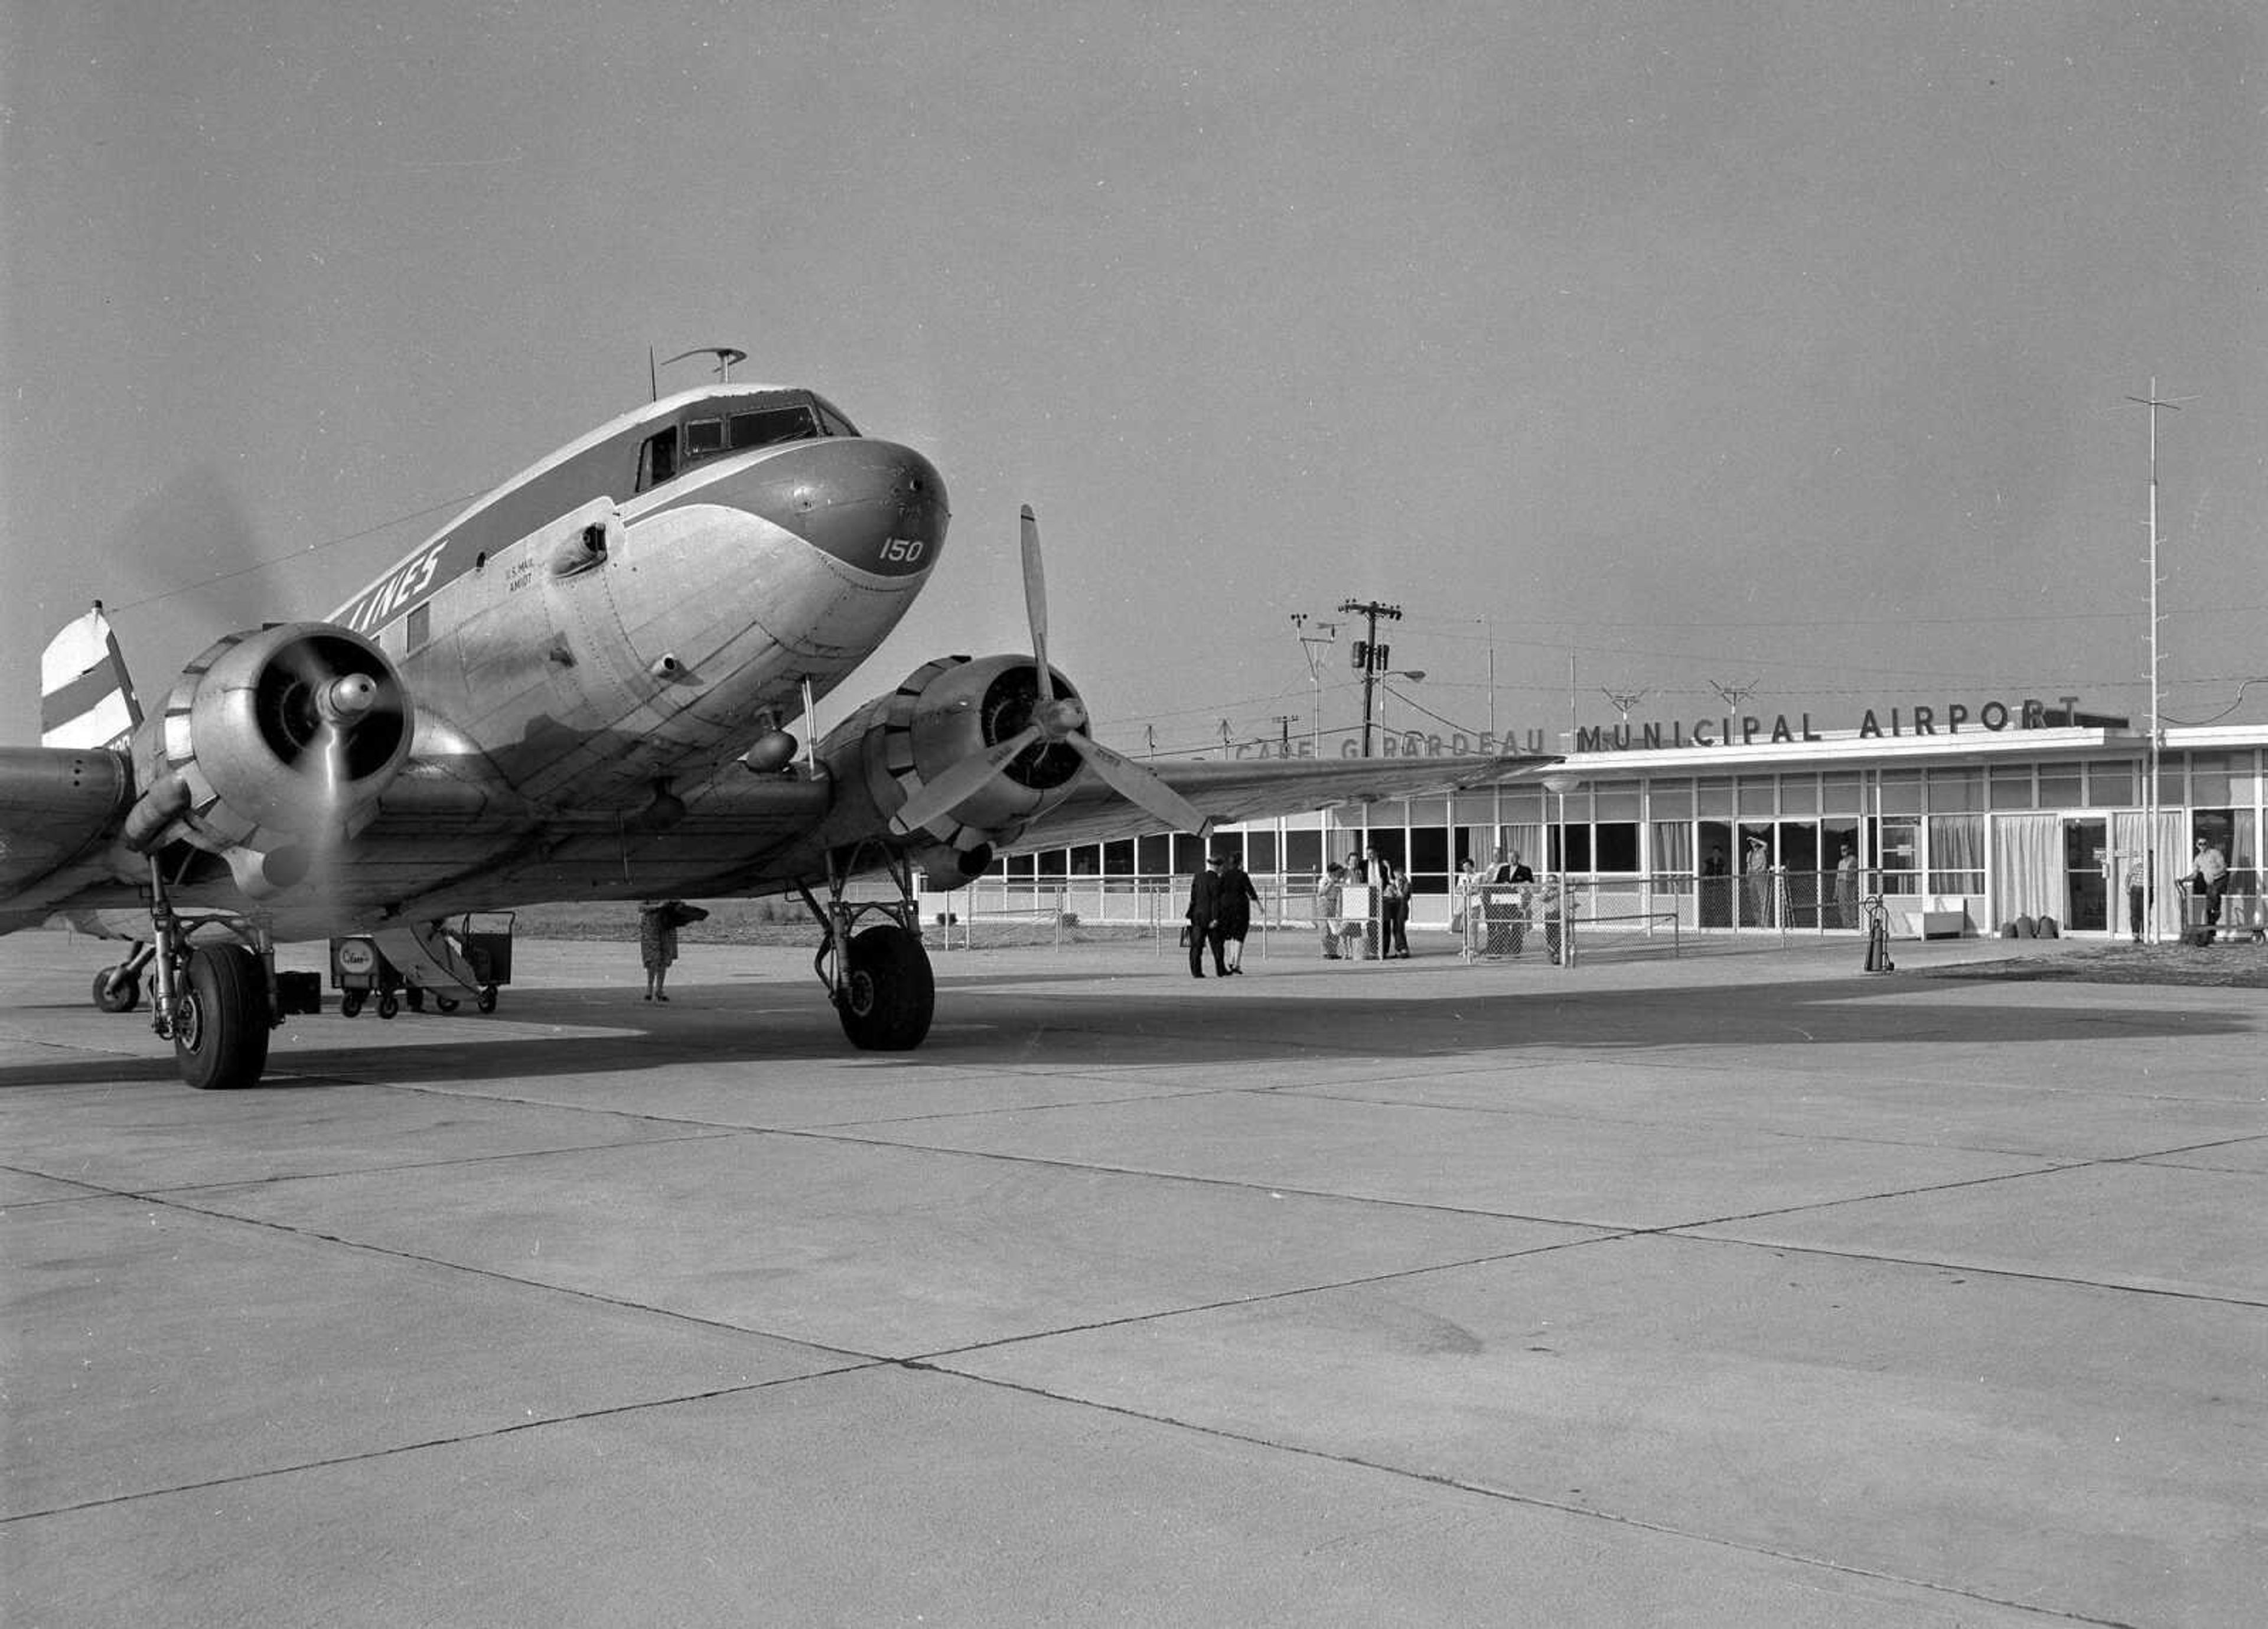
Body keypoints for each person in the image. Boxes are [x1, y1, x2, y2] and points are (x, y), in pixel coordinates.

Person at [638, 898, 708, 1001]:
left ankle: (659, 990)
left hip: (667, 925)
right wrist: (658, 907)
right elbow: (641, 907)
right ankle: (649, 990)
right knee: (653, 959)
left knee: (664, 959)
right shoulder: (650, 894)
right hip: (651, 927)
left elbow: (680, 905)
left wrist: (678, 907)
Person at [1215, 852, 1260, 973]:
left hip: (1226, 910)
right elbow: (1251, 892)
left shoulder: (1224, 875)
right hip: (1241, 909)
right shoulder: (1242, 876)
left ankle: (1231, 960)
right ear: (1240, 862)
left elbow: (1218, 891)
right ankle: (1236, 964)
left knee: (1232, 936)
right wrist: (1260, 906)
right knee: (1239, 936)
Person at [1185, 855, 1226, 978]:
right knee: (1217, 945)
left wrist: (1191, 913)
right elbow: (1216, 901)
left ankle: (1196, 972)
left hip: (1197, 916)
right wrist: (1216, 918)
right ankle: (1220, 970)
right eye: (1221, 866)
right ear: (1218, 866)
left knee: (1196, 946)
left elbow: (1193, 897)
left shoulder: (1198, 877)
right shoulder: (1218, 880)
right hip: (1211, 918)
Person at [1373, 847, 1410, 958]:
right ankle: (1383, 951)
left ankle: (1402, 949)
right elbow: (1389, 880)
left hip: (1400, 907)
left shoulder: (1407, 884)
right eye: (1396, 874)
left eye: (1400, 874)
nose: (1398, 876)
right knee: (1385, 928)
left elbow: (1403, 896)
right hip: (1390, 907)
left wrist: (1398, 888)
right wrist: (1388, 868)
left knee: (1398, 928)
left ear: (1403, 874)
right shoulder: (1392, 882)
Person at [2191, 836, 2228, 943]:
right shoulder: (2198, 859)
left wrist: (2214, 874)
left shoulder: (2215, 853)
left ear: (2208, 844)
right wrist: (2184, 880)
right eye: (2200, 844)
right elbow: (2195, 874)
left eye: (2204, 843)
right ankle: (2211, 931)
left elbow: (2224, 867)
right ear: (2197, 846)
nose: (2203, 846)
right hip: (2210, 884)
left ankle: (2212, 922)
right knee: (2209, 907)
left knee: (2215, 894)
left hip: (2220, 879)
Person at [1318, 863, 1349, 959]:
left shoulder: (1338, 880)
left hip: (1334, 902)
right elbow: (1321, 893)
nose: (1339, 875)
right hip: (1325, 902)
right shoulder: (1325, 880)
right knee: (1325, 928)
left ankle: (1333, 952)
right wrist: (1331, 883)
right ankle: (1326, 952)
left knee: (1334, 928)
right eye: (1337, 873)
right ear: (1332, 872)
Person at [1743, 835, 1772, 927]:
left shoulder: (1762, 851)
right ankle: (1758, 922)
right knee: (1754, 901)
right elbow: (1748, 867)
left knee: (1763, 900)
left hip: (1761, 876)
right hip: (1752, 877)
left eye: (1754, 842)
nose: (1753, 843)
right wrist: (1747, 878)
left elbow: (1765, 844)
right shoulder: (1749, 854)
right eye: (1751, 842)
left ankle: (1766, 922)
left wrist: (1754, 839)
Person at [2123, 851, 2148, 944]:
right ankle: (2136, 935)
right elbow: (2128, 876)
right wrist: (2127, 888)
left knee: (2144, 913)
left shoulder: (2152, 868)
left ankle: (2145, 935)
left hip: (2146, 890)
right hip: (2136, 890)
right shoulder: (2138, 867)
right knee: (2135, 912)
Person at [1834, 840, 1860, 927]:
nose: (1843, 852)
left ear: (1849, 850)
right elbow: (1838, 877)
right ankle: (1846, 924)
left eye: (1845, 850)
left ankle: (1854, 922)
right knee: (1842, 905)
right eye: (1842, 850)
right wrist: (1836, 891)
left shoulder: (1853, 860)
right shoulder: (1841, 862)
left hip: (1850, 884)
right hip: (1841, 883)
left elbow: (1853, 873)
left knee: (1851, 904)